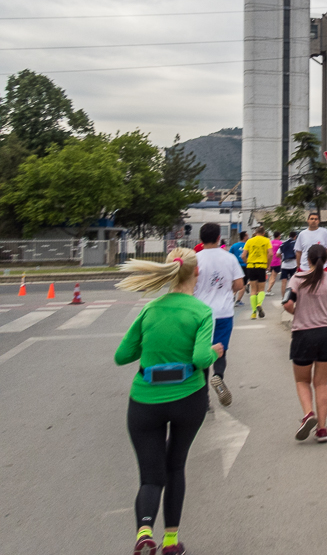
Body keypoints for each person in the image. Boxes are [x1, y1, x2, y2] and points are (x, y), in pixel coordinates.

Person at [114, 248, 224, 555]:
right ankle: (172, 543)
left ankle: (144, 532)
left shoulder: (150, 309)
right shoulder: (200, 311)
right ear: (196, 273)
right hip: (188, 400)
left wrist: (154, 348)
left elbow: (122, 355)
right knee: (176, 466)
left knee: (150, 477)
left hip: (145, 402)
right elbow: (201, 357)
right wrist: (215, 352)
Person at [283, 243, 327, 443]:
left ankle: (309, 413)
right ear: (326, 260)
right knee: (322, 383)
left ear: (307, 260)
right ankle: (322, 429)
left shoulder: (297, 279)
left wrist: (297, 312)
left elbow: (287, 303)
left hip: (303, 335)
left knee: (302, 381)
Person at [194, 222, 244, 408]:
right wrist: (225, 290)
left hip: (201, 314)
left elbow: (189, 287)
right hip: (224, 312)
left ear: (201, 239)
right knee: (220, 349)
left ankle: (204, 398)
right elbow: (239, 285)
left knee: (202, 353)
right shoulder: (229, 258)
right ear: (218, 238)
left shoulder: (195, 259)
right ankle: (218, 376)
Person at [242, 226, 271, 320]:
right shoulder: (266, 240)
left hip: (251, 266)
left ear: (255, 232)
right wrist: (268, 265)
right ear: (264, 233)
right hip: (261, 266)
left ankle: (254, 312)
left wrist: (248, 263)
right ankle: (259, 303)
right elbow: (270, 254)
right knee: (261, 289)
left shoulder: (249, 241)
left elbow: (243, 256)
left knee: (253, 290)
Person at [228, 232, 248, 306]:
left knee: (235, 282)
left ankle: (233, 295)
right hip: (245, 265)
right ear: (245, 237)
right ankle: (238, 300)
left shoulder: (234, 245)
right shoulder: (247, 245)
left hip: (236, 266)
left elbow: (230, 254)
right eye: (247, 235)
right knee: (243, 284)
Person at [278, 231, 298, 300]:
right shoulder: (295, 244)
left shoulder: (283, 244)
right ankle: (292, 298)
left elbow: (277, 254)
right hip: (293, 265)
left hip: (284, 266)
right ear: (295, 236)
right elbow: (297, 254)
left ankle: (284, 298)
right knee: (293, 282)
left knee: (284, 282)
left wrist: (283, 256)